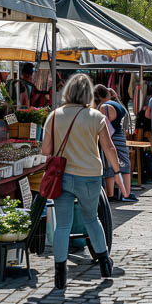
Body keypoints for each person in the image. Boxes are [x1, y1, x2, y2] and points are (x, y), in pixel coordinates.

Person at [41, 74, 118, 289]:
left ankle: (59, 275)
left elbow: (45, 150)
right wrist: (118, 170)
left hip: (62, 176)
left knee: (63, 224)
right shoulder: (95, 116)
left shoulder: (54, 116)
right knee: (92, 219)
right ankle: (104, 263)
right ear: (87, 94)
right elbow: (108, 147)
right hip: (90, 175)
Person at [94, 84, 135, 202]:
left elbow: (104, 124)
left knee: (109, 165)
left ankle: (111, 194)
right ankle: (127, 193)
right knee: (125, 163)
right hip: (120, 137)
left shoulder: (104, 107)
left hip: (111, 138)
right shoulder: (118, 104)